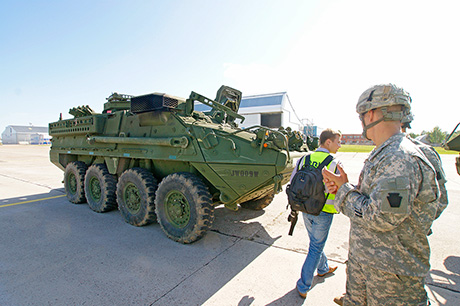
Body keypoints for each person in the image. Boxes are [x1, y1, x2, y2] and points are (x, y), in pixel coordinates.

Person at [322, 84, 445, 305]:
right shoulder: (396, 152)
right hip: (373, 267)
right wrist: (348, 188)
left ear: (369, 115)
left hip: (389, 278)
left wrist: (344, 191)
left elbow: (380, 217)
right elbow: (437, 204)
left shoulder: (397, 157)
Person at [292, 128, 343, 299]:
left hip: (305, 209)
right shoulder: (335, 163)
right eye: (338, 142)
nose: (340, 146)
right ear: (328, 142)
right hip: (324, 212)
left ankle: (323, 268)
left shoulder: (304, 159)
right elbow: (338, 190)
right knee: (315, 247)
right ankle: (303, 285)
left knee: (315, 243)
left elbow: (293, 182)